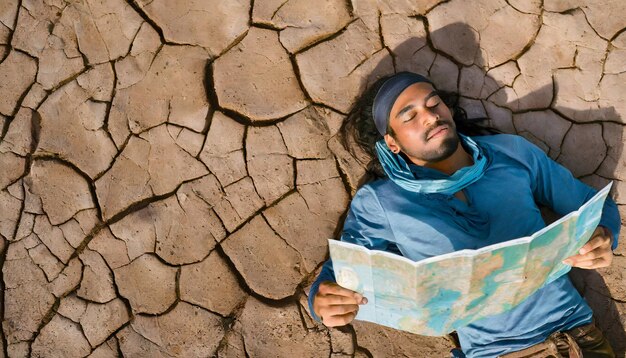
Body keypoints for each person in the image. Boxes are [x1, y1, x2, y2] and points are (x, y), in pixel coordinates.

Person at [307, 72, 620, 357]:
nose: (430, 116)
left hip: (577, 339)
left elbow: (592, 205)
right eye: (411, 115)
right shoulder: (381, 202)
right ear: (392, 143)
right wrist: (322, 299)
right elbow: (342, 273)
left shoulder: (512, 152)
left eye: (434, 103)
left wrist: (602, 235)